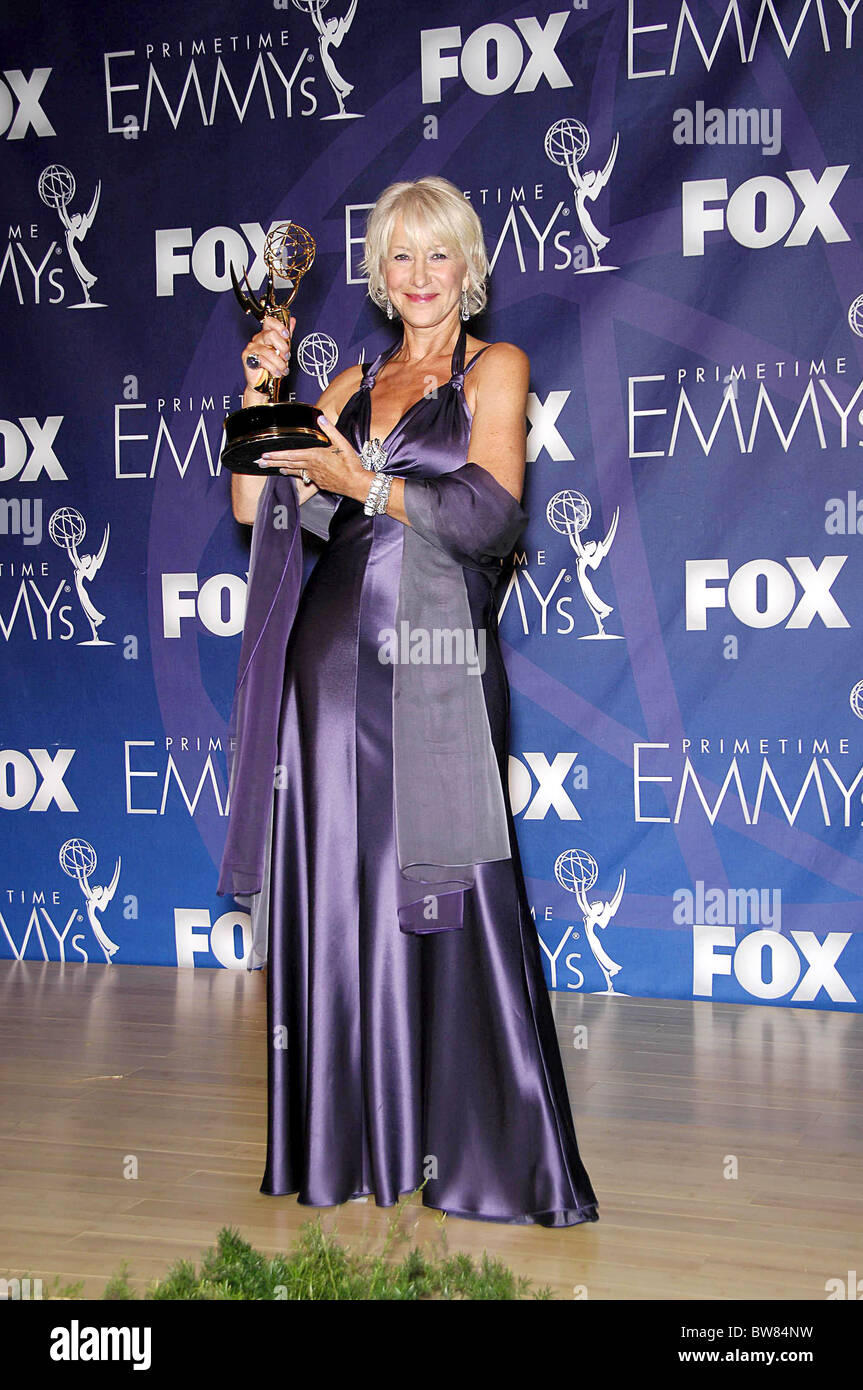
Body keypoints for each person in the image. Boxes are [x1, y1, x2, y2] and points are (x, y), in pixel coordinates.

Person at [219, 176, 599, 1227]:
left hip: (436, 666)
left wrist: (366, 487)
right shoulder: (342, 380)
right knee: (338, 885)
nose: (419, 276)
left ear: (466, 267)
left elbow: (487, 515)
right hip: (330, 671)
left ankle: (477, 1149)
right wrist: (260, 389)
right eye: (398, 256)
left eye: (437, 256)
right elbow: (256, 505)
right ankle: (353, 1140)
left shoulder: (495, 369)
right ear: (379, 274)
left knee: (456, 891)